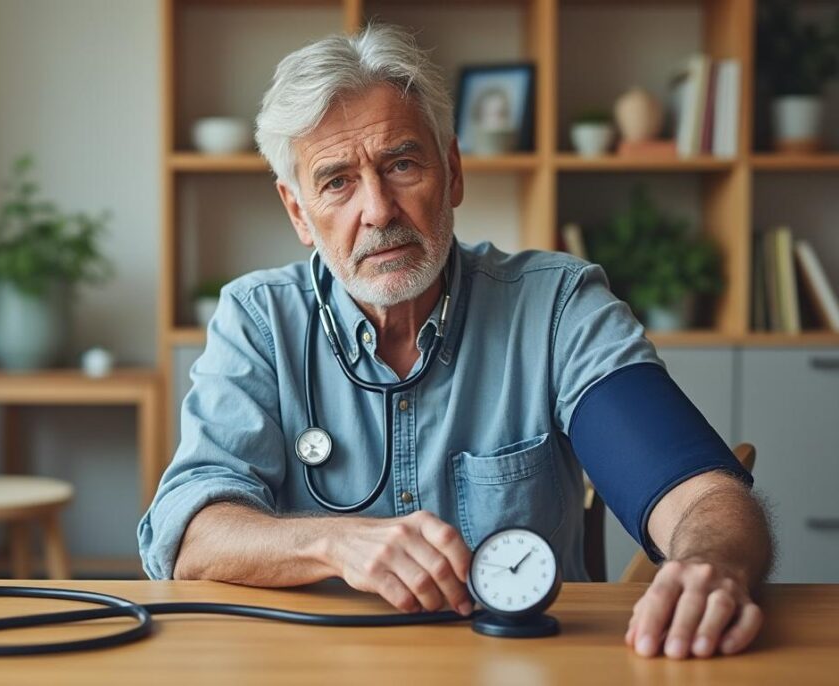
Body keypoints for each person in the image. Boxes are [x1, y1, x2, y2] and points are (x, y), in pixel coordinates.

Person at [138, 24, 772, 660]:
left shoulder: (555, 307)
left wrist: (711, 563)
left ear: (454, 170)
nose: (378, 209)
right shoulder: (258, 320)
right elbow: (188, 534)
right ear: (299, 212)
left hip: (527, 666)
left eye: (402, 164)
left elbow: (699, 492)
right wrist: (332, 542)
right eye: (337, 182)